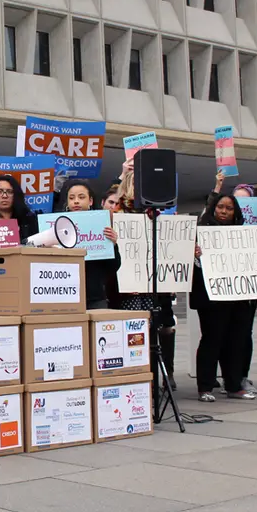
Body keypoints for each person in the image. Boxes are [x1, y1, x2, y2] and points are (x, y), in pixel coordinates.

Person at [113, 161, 178, 388]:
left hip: (152, 289)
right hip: (129, 291)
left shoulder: (155, 215)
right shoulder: (116, 213)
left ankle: (154, 378)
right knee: (132, 337)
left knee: (155, 333)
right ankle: (135, 379)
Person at [191, 194, 256, 402]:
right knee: (212, 339)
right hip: (211, 297)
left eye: (229, 208)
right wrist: (196, 255)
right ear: (213, 208)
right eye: (220, 207)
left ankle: (234, 385)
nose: (224, 212)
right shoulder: (200, 232)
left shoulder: (243, 234)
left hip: (237, 296)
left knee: (236, 341)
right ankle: (205, 386)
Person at [59, 179, 120, 310]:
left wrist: (113, 245)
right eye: (71, 197)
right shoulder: (55, 227)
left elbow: (113, 267)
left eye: (81, 197)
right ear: (67, 202)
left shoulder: (101, 226)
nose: (76, 201)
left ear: (90, 201)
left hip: (94, 297)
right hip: (64, 295)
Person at [0, 174, 40, 242]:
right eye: (0, 191)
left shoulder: (29, 220)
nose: (4, 196)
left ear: (16, 195)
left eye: (9, 192)